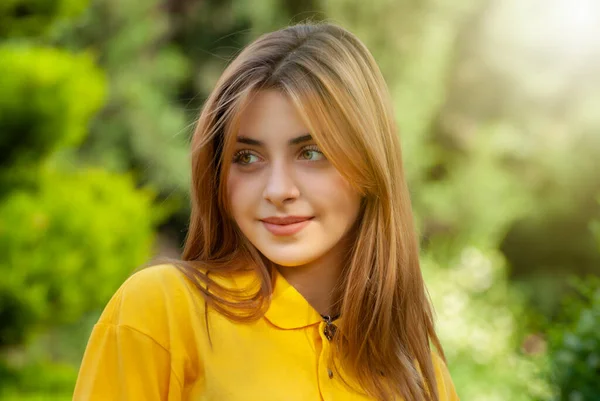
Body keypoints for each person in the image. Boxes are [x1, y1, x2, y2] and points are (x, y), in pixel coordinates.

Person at [73, 22, 459, 401]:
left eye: (311, 153)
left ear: (370, 164)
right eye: (247, 157)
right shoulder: (162, 310)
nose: (278, 190)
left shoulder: (418, 374)